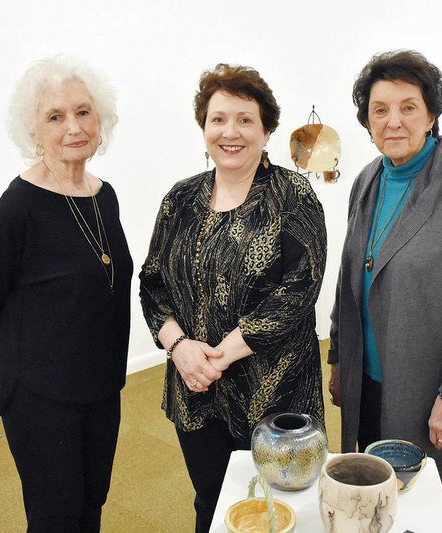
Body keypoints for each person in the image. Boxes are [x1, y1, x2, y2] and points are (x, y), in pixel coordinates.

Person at [139, 63, 327, 533]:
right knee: (213, 503)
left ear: (266, 131)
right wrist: (180, 348)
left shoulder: (293, 194)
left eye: (245, 120)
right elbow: (151, 283)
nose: (231, 132)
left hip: (275, 394)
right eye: (218, 119)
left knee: (284, 511)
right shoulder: (179, 199)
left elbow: (299, 290)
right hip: (194, 389)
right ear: (204, 127)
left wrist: (219, 356)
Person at [328, 49, 442, 533]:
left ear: (431, 114)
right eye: (379, 109)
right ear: (366, 119)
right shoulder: (366, 180)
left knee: (435, 515)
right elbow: (350, 279)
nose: (393, 121)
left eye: (408, 106)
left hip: (435, 388)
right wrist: (340, 359)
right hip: (373, 386)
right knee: (376, 508)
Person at [0, 55, 132, 532]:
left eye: (83, 111)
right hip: (40, 398)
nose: (73, 126)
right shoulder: (19, 207)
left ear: (101, 120)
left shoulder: (104, 195)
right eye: (55, 116)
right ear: (34, 131)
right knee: (55, 516)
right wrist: (7, 386)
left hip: (100, 389)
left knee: (91, 504)